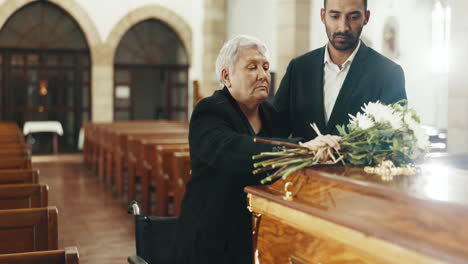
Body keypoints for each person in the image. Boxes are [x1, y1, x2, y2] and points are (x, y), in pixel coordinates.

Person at [174, 35, 340, 264]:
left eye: (265, 67)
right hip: (211, 238)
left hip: (259, 234)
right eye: (252, 67)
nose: (263, 75)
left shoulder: (272, 116)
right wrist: (301, 147)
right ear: (226, 76)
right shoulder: (210, 111)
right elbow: (232, 150)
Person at [274, 0, 407, 140]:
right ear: (323, 15)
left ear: (366, 17)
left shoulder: (388, 73)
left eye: (353, 17)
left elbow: (394, 141)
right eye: (335, 16)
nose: (343, 27)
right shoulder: (299, 69)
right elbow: (275, 131)